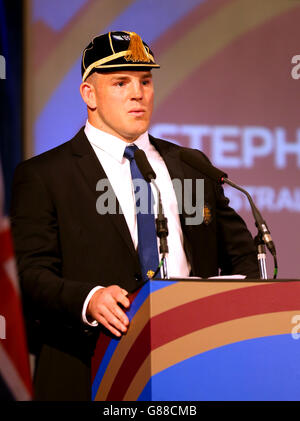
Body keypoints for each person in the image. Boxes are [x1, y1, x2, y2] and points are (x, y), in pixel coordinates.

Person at [10, 31, 259, 401]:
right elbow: (30, 275)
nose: (138, 93)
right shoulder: (46, 175)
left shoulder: (190, 165)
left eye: (145, 81)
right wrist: (89, 299)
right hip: (88, 370)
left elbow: (242, 257)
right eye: (121, 82)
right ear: (89, 94)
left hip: (189, 369)